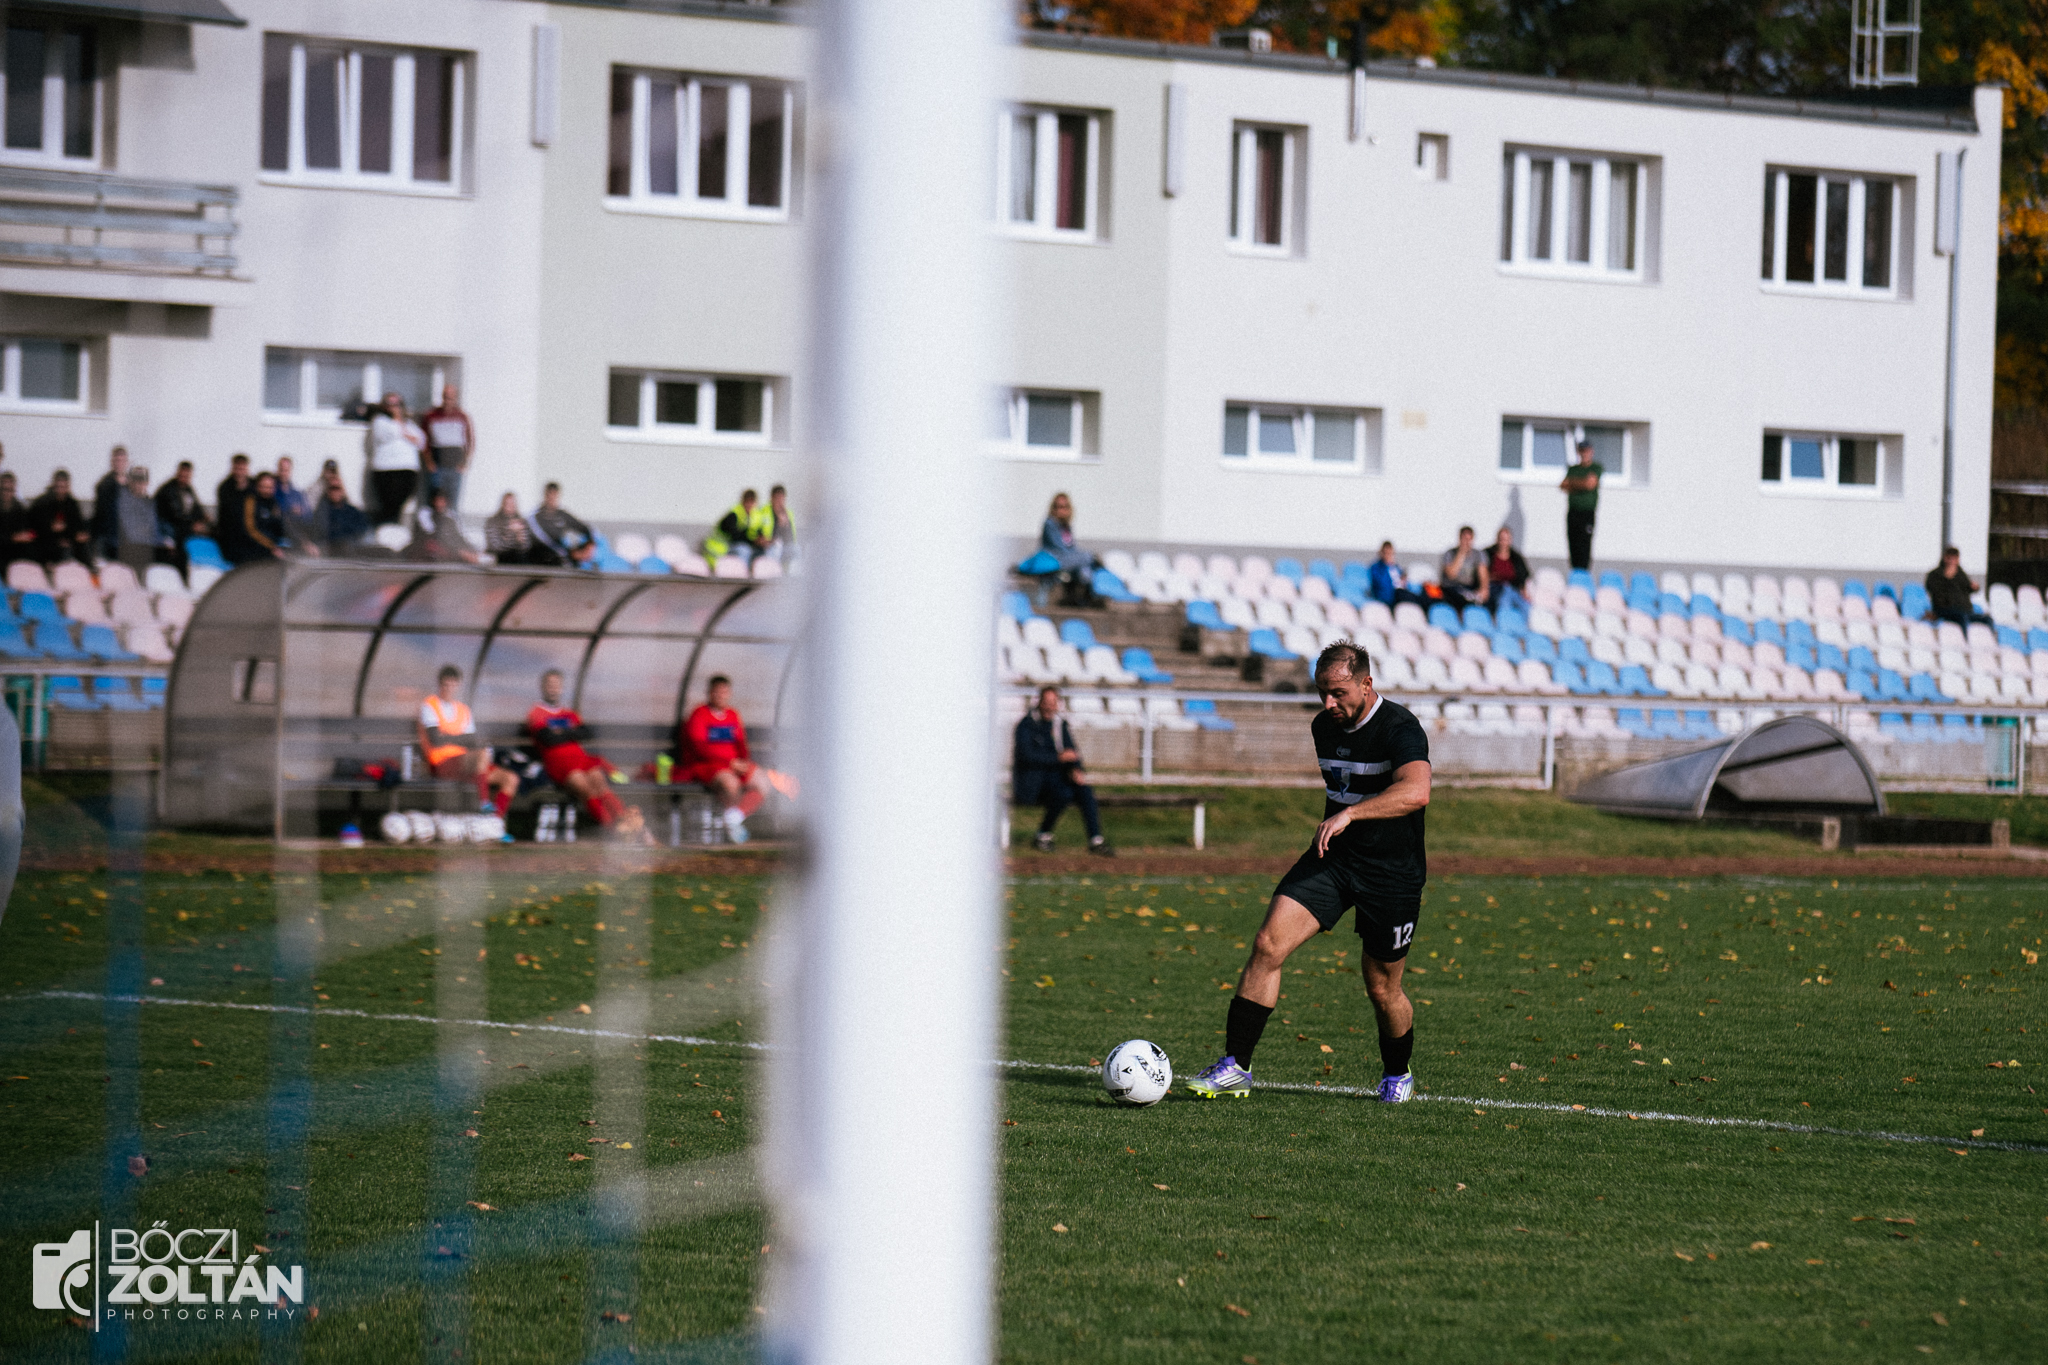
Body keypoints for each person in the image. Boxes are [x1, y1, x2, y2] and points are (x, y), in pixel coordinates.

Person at [1185, 641, 1430, 1104]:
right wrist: (1344, 823)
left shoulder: (1401, 727)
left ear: (1367, 683)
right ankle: (1236, 1066)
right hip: (1334, 860)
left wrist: (1351, 815)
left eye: (1338, 693)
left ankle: (1397, 1073)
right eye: (1321, 693)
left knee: (1382, 987)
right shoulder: (1324, 727)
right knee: (1267, 944)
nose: (1328, 704)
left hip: (1392, 874)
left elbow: (1417, 792)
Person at [521, 669, 649, 841]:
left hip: (581, 758)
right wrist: (569, 732)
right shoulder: (536, 712)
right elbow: (548, 738)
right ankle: (615, 832)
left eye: (557, 685)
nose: (553, 689)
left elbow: (585, 733)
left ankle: (625, 823)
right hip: (558, 763)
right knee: (587, 789)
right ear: (543, 687)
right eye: (550, 685)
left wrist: (561, 733)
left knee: (600, 783)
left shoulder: (568, 712)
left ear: (561, 688)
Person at [1011, 686, 1113, 856]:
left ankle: (1096, 840)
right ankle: (1043, 835)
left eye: (1053, 703)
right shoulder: (1026, 725)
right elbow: (1026, 756)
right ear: (1039, 703)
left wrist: (1076, 769)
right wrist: (1057, 758)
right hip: (1033, 782)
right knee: (1063, 793)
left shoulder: (1060, 725)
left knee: (1084, 791)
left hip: (1056, 779)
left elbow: (1071, 752)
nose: (1050, 706)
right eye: (1046, 702)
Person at [678, 674, 774, 844]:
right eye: (717, 692)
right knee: (730, 784)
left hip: (735, 765)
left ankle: (733, 818)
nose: (721, 696)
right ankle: (731, 831)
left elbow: (741, 743)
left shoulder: (733, 715)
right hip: (708, 766)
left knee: (763, 781)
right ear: (709, 693)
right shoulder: (699, 714)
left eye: (725, 692)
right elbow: (699, 747)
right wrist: (729, 763)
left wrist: (744, 762)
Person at [417, 664, 520, 816]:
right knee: (481, 755)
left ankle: (494, 824)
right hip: (441, 763)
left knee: (511, 778)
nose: (449, 689)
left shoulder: (463, 709)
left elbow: (471, 740)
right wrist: (461, 739)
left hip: (467, 765)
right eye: (445, 685)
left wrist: (448, 737)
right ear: (440, 684)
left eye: (452, 685)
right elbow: (435, 740)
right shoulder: (430, 705)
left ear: (458, 685)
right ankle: (483, 803)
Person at [367, 392, 426, 526]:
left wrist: (404, 429)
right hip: (386, 470)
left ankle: (390, 534)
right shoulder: (379, 421)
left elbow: (421, 441)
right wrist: (403, 429)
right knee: (389, 507)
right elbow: (392, 433)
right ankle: (384, 535)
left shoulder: (410, 424)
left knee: (398, 507)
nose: (393, 407)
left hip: (407, 470)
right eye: (389, 404)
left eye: (396, 404)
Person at [421, 384, 474, 514]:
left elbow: (470, 441)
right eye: (445, 397)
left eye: (451, 397)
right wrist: (429, 462)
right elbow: (423, 441)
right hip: (437, 466)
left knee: (453, 502)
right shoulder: (431, 416)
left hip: (455, 467)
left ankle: (451, 529)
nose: (447, 400)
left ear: (456, 398)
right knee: (434, 500)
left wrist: (465, 463)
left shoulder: (462, 416)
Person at [1038, 492, 1098, 607]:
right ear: (1053, 508)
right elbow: (1059, 548)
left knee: (1084, 569)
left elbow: (1072, 548)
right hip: (1055, 559)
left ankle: (1084, 599)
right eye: (1058, 507)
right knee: (1088, 557)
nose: (1062, 510)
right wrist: (1080, 557)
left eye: (1065, 507)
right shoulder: (1050, 524)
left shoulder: (1066, 526)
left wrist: (1078, 557)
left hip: (1068, 560)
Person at [112, 466, 173, 575]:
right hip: (130, 546)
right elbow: (131, 531)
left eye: (142, 481)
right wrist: (155, 541)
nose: (138, 484)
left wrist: (165, 540)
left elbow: (154, 527)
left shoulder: (150, 503)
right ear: (130, 481)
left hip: (150, 545)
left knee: (174, 555)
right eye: (135, 481)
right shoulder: (123, 502)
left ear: (147, 482)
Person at [30, 469, 90, 565]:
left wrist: (76, 536)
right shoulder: (42, 503)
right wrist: (53, 531)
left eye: (64, 487)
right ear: (54, 485)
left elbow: (77, 525)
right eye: (59, 487)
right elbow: (35, 528)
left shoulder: (72, 504)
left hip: (69, 542)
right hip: (45, 543)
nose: (61, 490)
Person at [405, 490, 481, 564]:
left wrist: (469, 548)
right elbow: (433, 537)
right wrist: (458, 551)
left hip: (449, 548)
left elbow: (457, 536)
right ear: (433, 502)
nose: (439, 504)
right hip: (430, 551)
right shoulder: (425, 517)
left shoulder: (450, 519)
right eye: (437, 501)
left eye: (442, 501)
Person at [529, 482, 595, 566]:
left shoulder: (562, 515)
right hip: (543, 559)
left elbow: (585, 529)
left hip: (562, 558)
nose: (552, 499)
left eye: (554, 496)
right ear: (545, 496)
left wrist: (590, 545)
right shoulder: (535, 517)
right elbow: (547, 541)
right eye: (549, 495)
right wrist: (571, 553)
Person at [301, 478, 370, 558]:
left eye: (337, 488)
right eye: (332, 489)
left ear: (342, 490)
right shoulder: (322, 512)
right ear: (328, 491)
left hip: (351, 549)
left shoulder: (353, 511)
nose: (335, 492)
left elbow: (363, 528)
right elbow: (320, 531)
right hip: (330, 550)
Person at [1560, 440, 1602, 572]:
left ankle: (1583, 572)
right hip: (1573, 512)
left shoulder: (1595, 468)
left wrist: (1573, 484)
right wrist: (1581, 483)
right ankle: (1574, 570)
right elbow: (1563, 485)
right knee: (1573, 543)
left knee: (1584, 543)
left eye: (1587, 451)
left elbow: (1590, 484)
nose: (1584, 454)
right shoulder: (1573, 469)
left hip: (1587, 513)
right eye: (1582, 451)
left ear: (1592, 452)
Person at [231, 470, 290, 562]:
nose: (267, 490)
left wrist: (302, 542)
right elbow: (250, 530)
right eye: (263, 487)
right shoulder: (250, 501)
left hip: (270, 545)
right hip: (251, 547)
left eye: (270, 488)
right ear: (257, 487)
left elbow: (281, 525)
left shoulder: (273, 503)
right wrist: (271, 547)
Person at [702, 489, 773, 565]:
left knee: (768, 550)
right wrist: (753, 541)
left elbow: (757, 531)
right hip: (723, 546)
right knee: (744, 550)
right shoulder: (734, 514)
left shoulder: (756, 516)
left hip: (746, 544)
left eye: (752, 503)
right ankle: (743, 574)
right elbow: (735, 536)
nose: (750, 505)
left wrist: (762, 540)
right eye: (747, 502)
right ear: (743, 501)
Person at [1924, 547, 1990, 626]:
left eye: (1954, 559)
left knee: (1987, 619)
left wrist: (1974, 587)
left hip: (1964, 609)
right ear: (1945, 558)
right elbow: (1934, 592)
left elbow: (1967, 588)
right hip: (1945, 610)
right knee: (1962, 617)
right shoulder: (1935, 575)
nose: (1952, 562)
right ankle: (1966, 638)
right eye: (1950, 559)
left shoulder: (1961, 575)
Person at [90, 445, 129, 560]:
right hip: (109, 537)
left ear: (127, 462)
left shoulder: (132, 484)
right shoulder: (104, 485)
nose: (119, 463)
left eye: (122, 461)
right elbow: (102, 514)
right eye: (117, 460)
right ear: (112, 462)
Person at [214, 454, 254, 563]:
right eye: (237, 469)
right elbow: (231, 515)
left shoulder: (254, 485)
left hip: (250, 533)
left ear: (247, 469)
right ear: (232, 468)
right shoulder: (224, 487)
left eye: (242, 469)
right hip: (231, 536)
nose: (240, 472)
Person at [1438, 525, 1488, 611]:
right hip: (1452, 587)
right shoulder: (1450, 554)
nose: (1466, 542)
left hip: (1469, 587)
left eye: (1469, 539)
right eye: (1464, 539)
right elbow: (1451, 574)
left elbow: (1483, 573)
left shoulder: (1478, 554)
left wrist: (1484, 589)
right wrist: (1461, 554)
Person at [1485, 525, 1530, 613]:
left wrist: (1524, 590)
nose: (1503, 542)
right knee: (1504, 601)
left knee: (1526, 606)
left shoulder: (1516, 557)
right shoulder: (1488, 554)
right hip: (1495, 588)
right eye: (1501, 539)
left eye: (1506, 539)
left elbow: (1523, 576)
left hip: (1513, 588)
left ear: (1510, 540)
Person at [1366, 541, 1424, 609]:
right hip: (1391, 595)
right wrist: (1387, 566)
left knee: (1421, 593)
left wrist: (1403, 580)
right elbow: (1381, 584)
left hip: (1401, 591)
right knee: (1401, 593)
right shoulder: (1377, 568)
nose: (1388, 556)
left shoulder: (1396, 567)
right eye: (1386, 553)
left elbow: (1402, 580)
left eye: (1390, 554)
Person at [485, 492, 536, 564]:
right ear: (502, 504)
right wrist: (509, 533)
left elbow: (526, 547)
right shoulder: (492, 522)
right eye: (507, 504)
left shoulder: (522, 522)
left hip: (517, 557)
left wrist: (519, 537)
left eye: (512, 504)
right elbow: (495, 546)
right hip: (499, 556)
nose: (510, 507)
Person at [0, 473, 33, 570]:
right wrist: (12, 538)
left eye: (10, 490)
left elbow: (29, 531)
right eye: (3, 489)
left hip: (15, 551)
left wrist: (27, 535)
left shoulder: (20, 509)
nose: (6, 493)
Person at [764, 483, 797, 565]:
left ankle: (790, 576)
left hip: (784, 546)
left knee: (795, 550)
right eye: (777, 498)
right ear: (771, 498)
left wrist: (785, 524)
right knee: (774, 549)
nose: (779, 501)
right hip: (769, 545)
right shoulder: (765, 511)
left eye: (781, 498)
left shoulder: (789, 513)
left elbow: (791, 537)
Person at [273, 455, 311, 524]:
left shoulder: (297, 494)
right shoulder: (271, 491)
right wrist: (289, 510)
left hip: (295, 530)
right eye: (282, 470)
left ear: (291, 471)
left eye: (286, 470)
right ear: (278, 470)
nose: (284, 473)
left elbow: (308, 515)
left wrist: (301, 511)